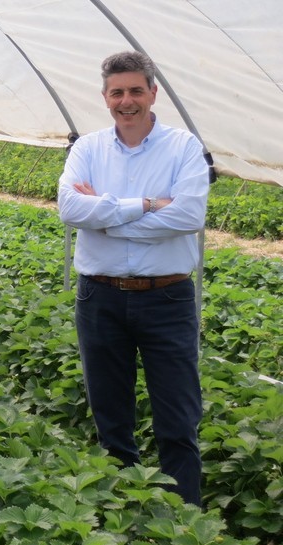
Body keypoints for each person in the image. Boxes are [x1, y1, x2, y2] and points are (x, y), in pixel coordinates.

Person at [58, 50, 208, 507]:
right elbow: (70, 210)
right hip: (99, 298)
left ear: (153, 92)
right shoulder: (87, 149)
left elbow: (188, 214)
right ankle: (123, 512)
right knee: (110, 414)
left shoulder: (183, 147)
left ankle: (185, 519)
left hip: (167, 298)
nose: (127, 101)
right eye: (117, 92)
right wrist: (146, 204)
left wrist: (103, 212)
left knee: (178, 418)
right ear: (105, 97)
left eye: (135, 91)